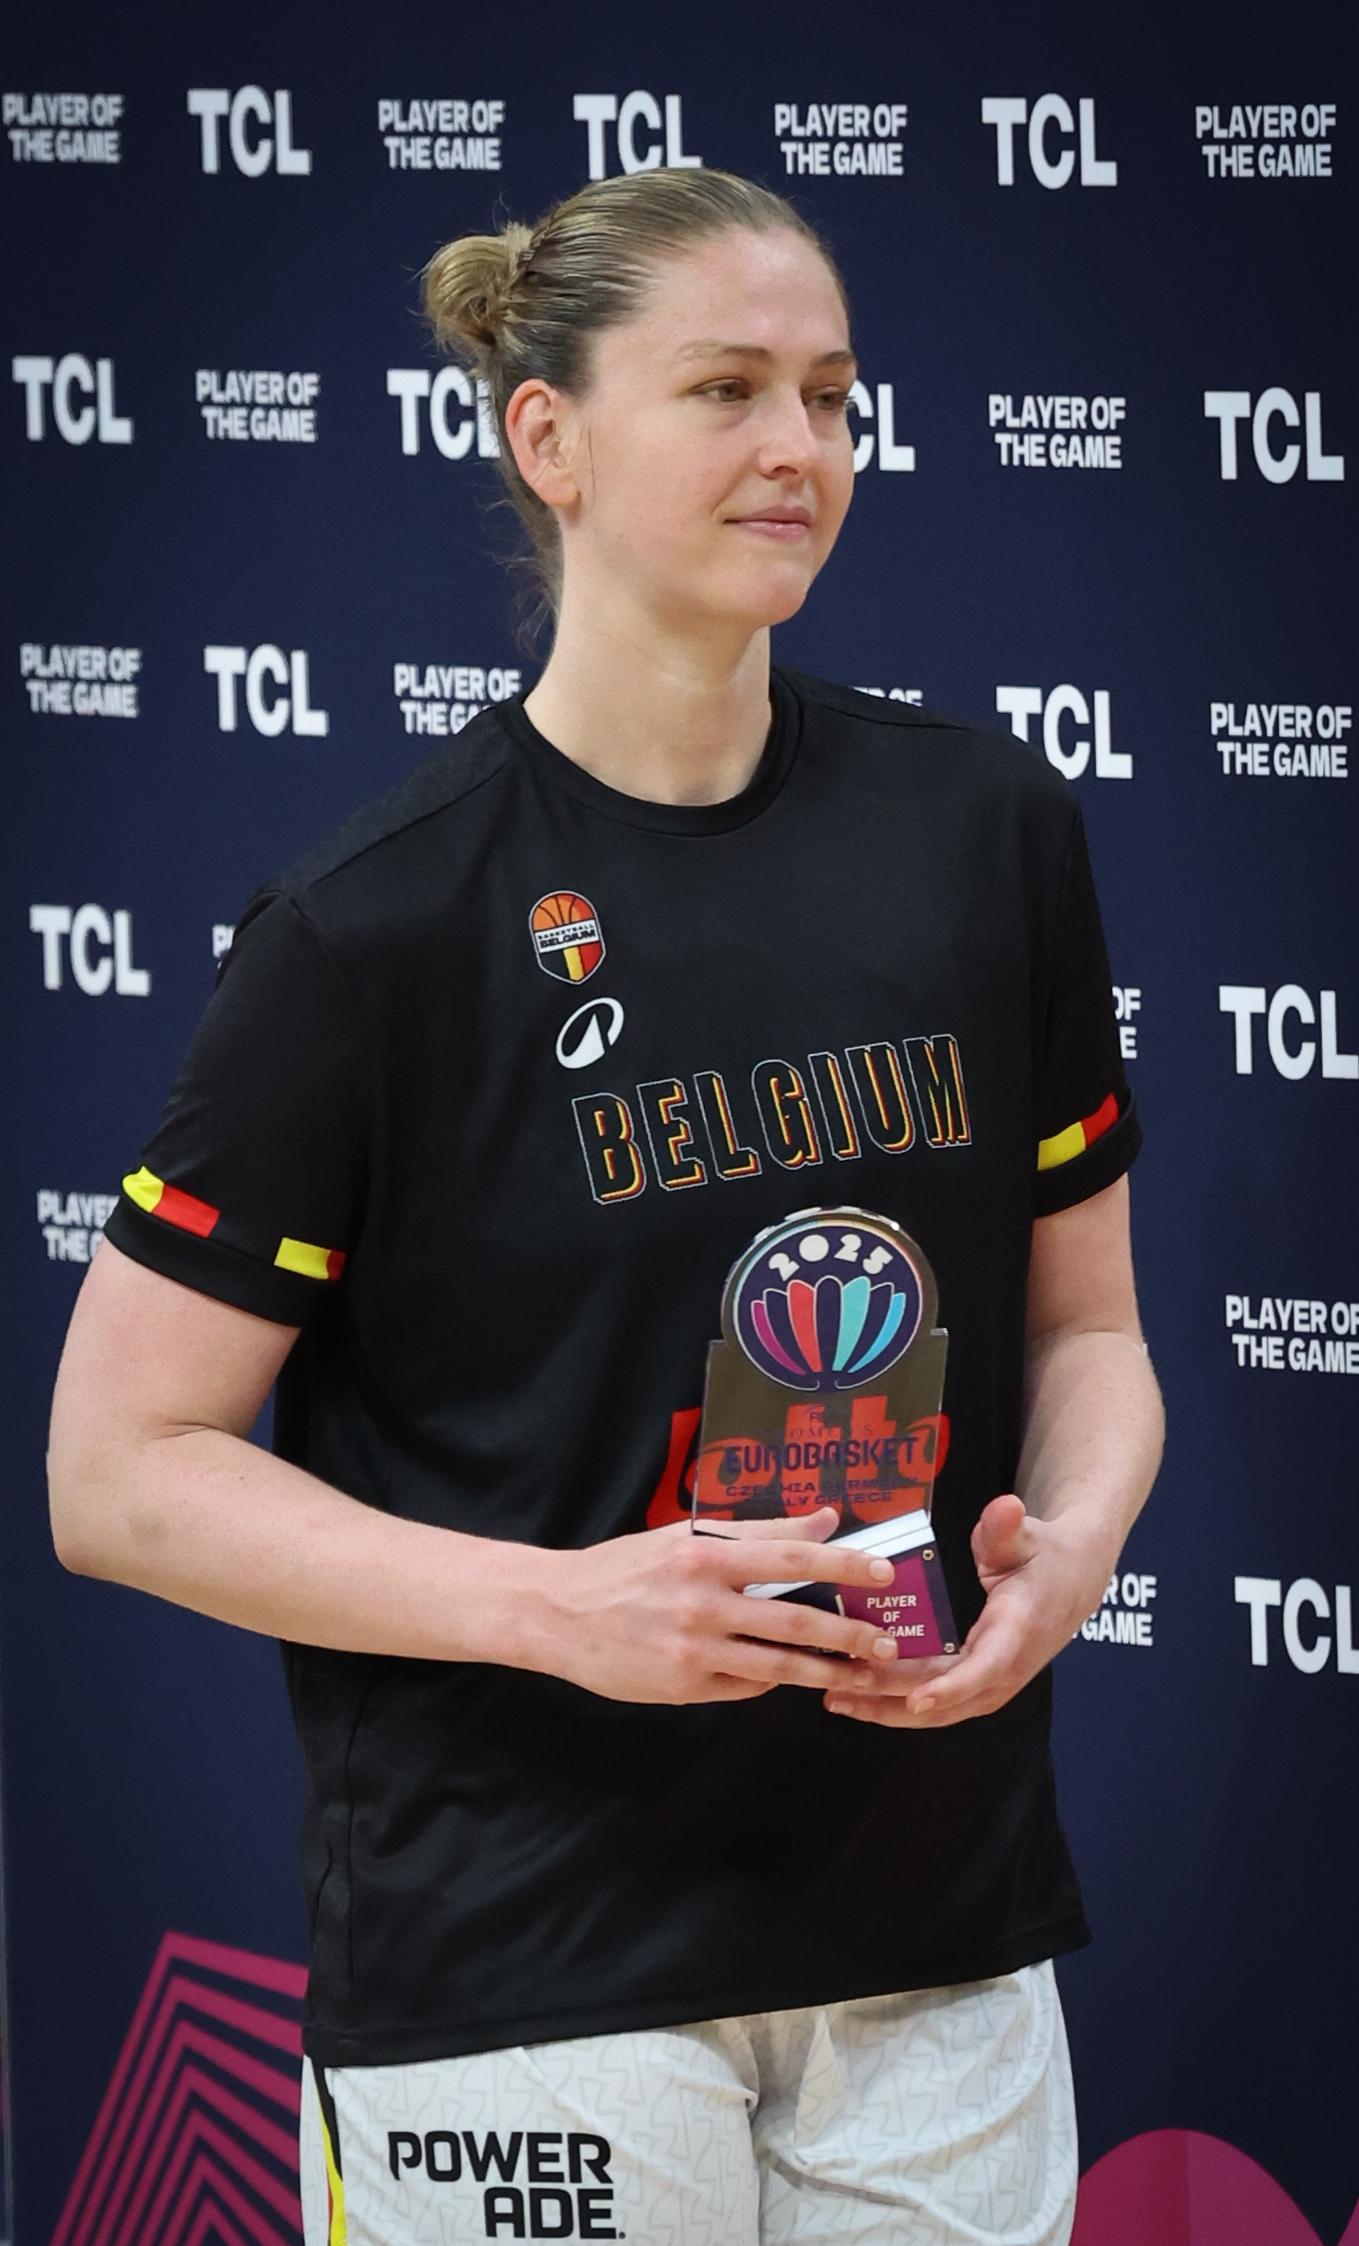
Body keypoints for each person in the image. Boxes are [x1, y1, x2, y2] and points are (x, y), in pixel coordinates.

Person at [47, 166, 1165, 2245]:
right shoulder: (367, 926)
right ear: (540, 438)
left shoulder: (985, 832)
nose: (800, 449)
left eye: (831, 394)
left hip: (932, 1934)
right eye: (725, 388)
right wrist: (565, 1608)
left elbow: (1088, 1330)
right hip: (525, 1959)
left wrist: (1069, 1555)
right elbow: (117, 1473)